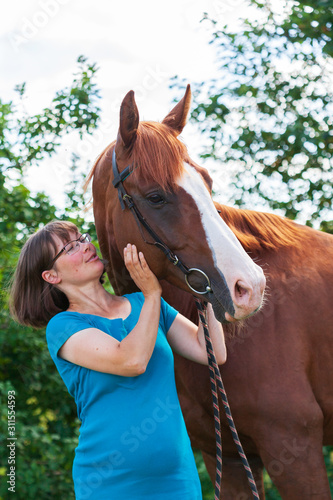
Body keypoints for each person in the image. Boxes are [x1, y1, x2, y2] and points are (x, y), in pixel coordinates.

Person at [10, 220, 227, 500]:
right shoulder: (64, 326)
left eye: (83, 238)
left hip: (177, 477)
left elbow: (213, 353)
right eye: (70, 247)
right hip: (110, 482)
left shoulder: (146, 304)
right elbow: (131, 361)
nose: (86, 245)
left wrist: (209, 289)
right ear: (51, 276)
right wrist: (152, 294)